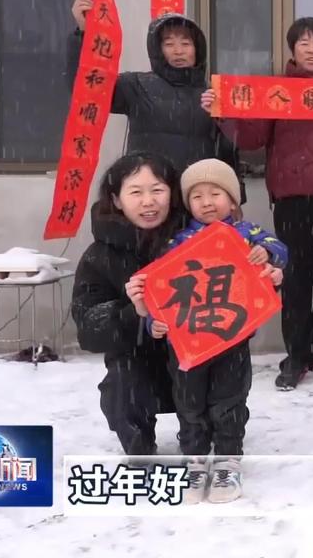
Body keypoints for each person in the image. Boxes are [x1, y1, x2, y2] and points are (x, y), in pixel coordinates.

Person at [203, 17, 313, 390]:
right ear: (293, 51)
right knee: (295, 277)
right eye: (304, 43)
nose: (312, 49)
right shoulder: (276, 92)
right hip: (291, 196)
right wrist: (222, 111)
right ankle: (297, 355)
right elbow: (250, 138)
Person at [150, 159, 287, 504]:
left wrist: (265, 252)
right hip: (188, 340)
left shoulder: (248, 233)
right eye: (197, 196)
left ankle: (227, 459)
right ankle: (195, 459)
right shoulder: (178, 240)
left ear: (233, 201)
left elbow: (280, 250)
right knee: (189, 401)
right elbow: (158, 286)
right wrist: (152, 320)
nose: (207, 202)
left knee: (229, 399)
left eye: (216, 193)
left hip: (232, 337)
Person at [67, 0, 244, 201]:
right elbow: (87, 89)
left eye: (186, 43)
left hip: (197, 199)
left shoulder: (214, 93)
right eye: (169, 44)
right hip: (151, 199)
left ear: (198, 50)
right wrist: (84, 33)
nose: (178, 51)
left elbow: (229, 150)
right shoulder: (136, 86)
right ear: (157, 50)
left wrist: (235, 197)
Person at [69, 152, 186, 458]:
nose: (149, 201)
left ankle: (209, 446)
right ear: (117, 200)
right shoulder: (99, 256)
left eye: (158, 190)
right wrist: (134, 313)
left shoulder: (196, 240)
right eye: (136, 192)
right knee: (124, 383)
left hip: (193, 354)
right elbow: (89, 328)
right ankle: (139, 451)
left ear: (172, 195)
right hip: (138, 358)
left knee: (228, 366)